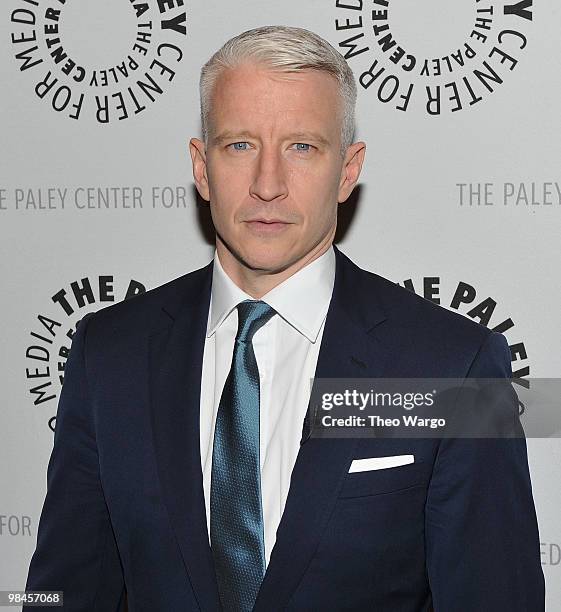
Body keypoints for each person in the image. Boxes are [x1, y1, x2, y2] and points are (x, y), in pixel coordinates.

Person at [24, 25, 544, 611]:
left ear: (347, 171)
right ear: (201, 166)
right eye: (239, 145)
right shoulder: (109, 353)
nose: (267, 185)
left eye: (302, 147)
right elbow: (64, 592)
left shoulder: (455, 365)